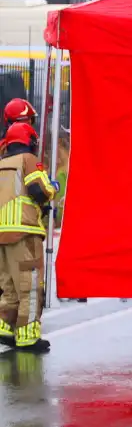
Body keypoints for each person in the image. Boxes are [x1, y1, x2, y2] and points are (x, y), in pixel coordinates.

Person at [0, 123, 58, 352]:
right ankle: (28, 337)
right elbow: (39, 191)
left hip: (2, 233)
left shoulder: (2, 163)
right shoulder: (28, 160)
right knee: (30, 285)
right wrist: (53, 186)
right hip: (24, 231)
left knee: (9, 286)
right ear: (29, 140)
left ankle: (5, 328)